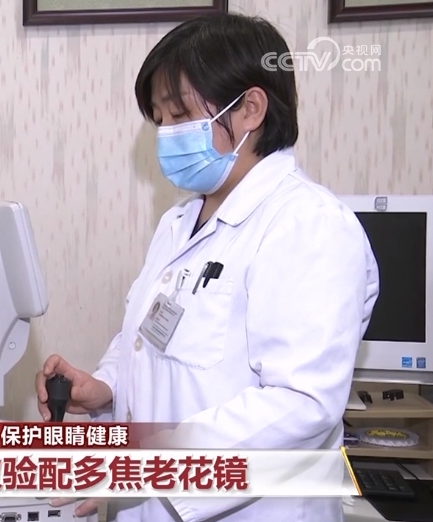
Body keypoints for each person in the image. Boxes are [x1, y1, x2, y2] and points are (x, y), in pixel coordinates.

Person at [36, 13, 379, 522]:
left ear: (251, 109)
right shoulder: (179, 223)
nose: (166, 134)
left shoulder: (309, 225)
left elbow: (302, 402)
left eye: (180, 115)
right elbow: (150, 341)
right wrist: (105, 387)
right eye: (160, 119)